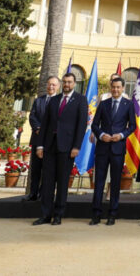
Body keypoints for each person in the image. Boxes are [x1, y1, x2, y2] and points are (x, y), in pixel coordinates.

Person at [33, 72, 89, 226]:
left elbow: (81, 125)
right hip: (50, 146)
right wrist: (40, 145)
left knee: (63, 182)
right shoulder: (54, 100)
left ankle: (58, 215)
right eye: (64, 82)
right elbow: (45, 124)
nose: (66, 84)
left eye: (69, 82)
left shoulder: (80, 100)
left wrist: (77, 146)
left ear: (74, 83)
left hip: (67, 147)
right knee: (48, 182)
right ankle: (45, 215)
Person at [89, 76, 136, 225]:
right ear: (111, 88)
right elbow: (95, 125)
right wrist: (102, 135)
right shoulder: (103, 104)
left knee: (115, 183)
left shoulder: (128, 105)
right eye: (113, 87)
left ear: (123, 88)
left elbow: (133, 126)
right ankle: (96, 214)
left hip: (118, 148)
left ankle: (112, 214)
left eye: (118, 87)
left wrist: (121, 135)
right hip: (103, 148)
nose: (115, 90)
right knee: (99, 182)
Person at [25, 76, 59, 202]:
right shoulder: (38, 101)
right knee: (36, 169)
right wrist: (38, 128)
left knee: (48, 170)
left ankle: (44, 194)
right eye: (49, 84)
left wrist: (47, 131)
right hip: (37, 138)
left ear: (58, 86)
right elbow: (32, 116)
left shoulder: (60, 102)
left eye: (54, 85)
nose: (51, 87)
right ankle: (33, 193)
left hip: (51, 140)